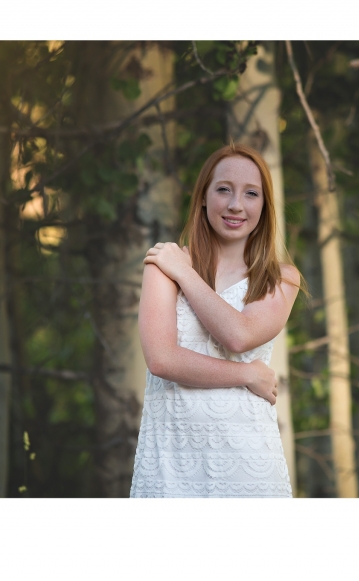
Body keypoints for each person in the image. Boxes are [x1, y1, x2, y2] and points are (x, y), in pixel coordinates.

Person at [129, 143, 308, 498]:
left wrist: (186, 273)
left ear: (265, 206)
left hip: (246, 461)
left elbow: (239, 336)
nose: (236, 205)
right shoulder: (162, 267)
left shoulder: (281, 278)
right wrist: (246, 374)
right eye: (223, 189)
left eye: (251, 193)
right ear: (203, 198)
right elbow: (162, 359)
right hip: (171, 457)